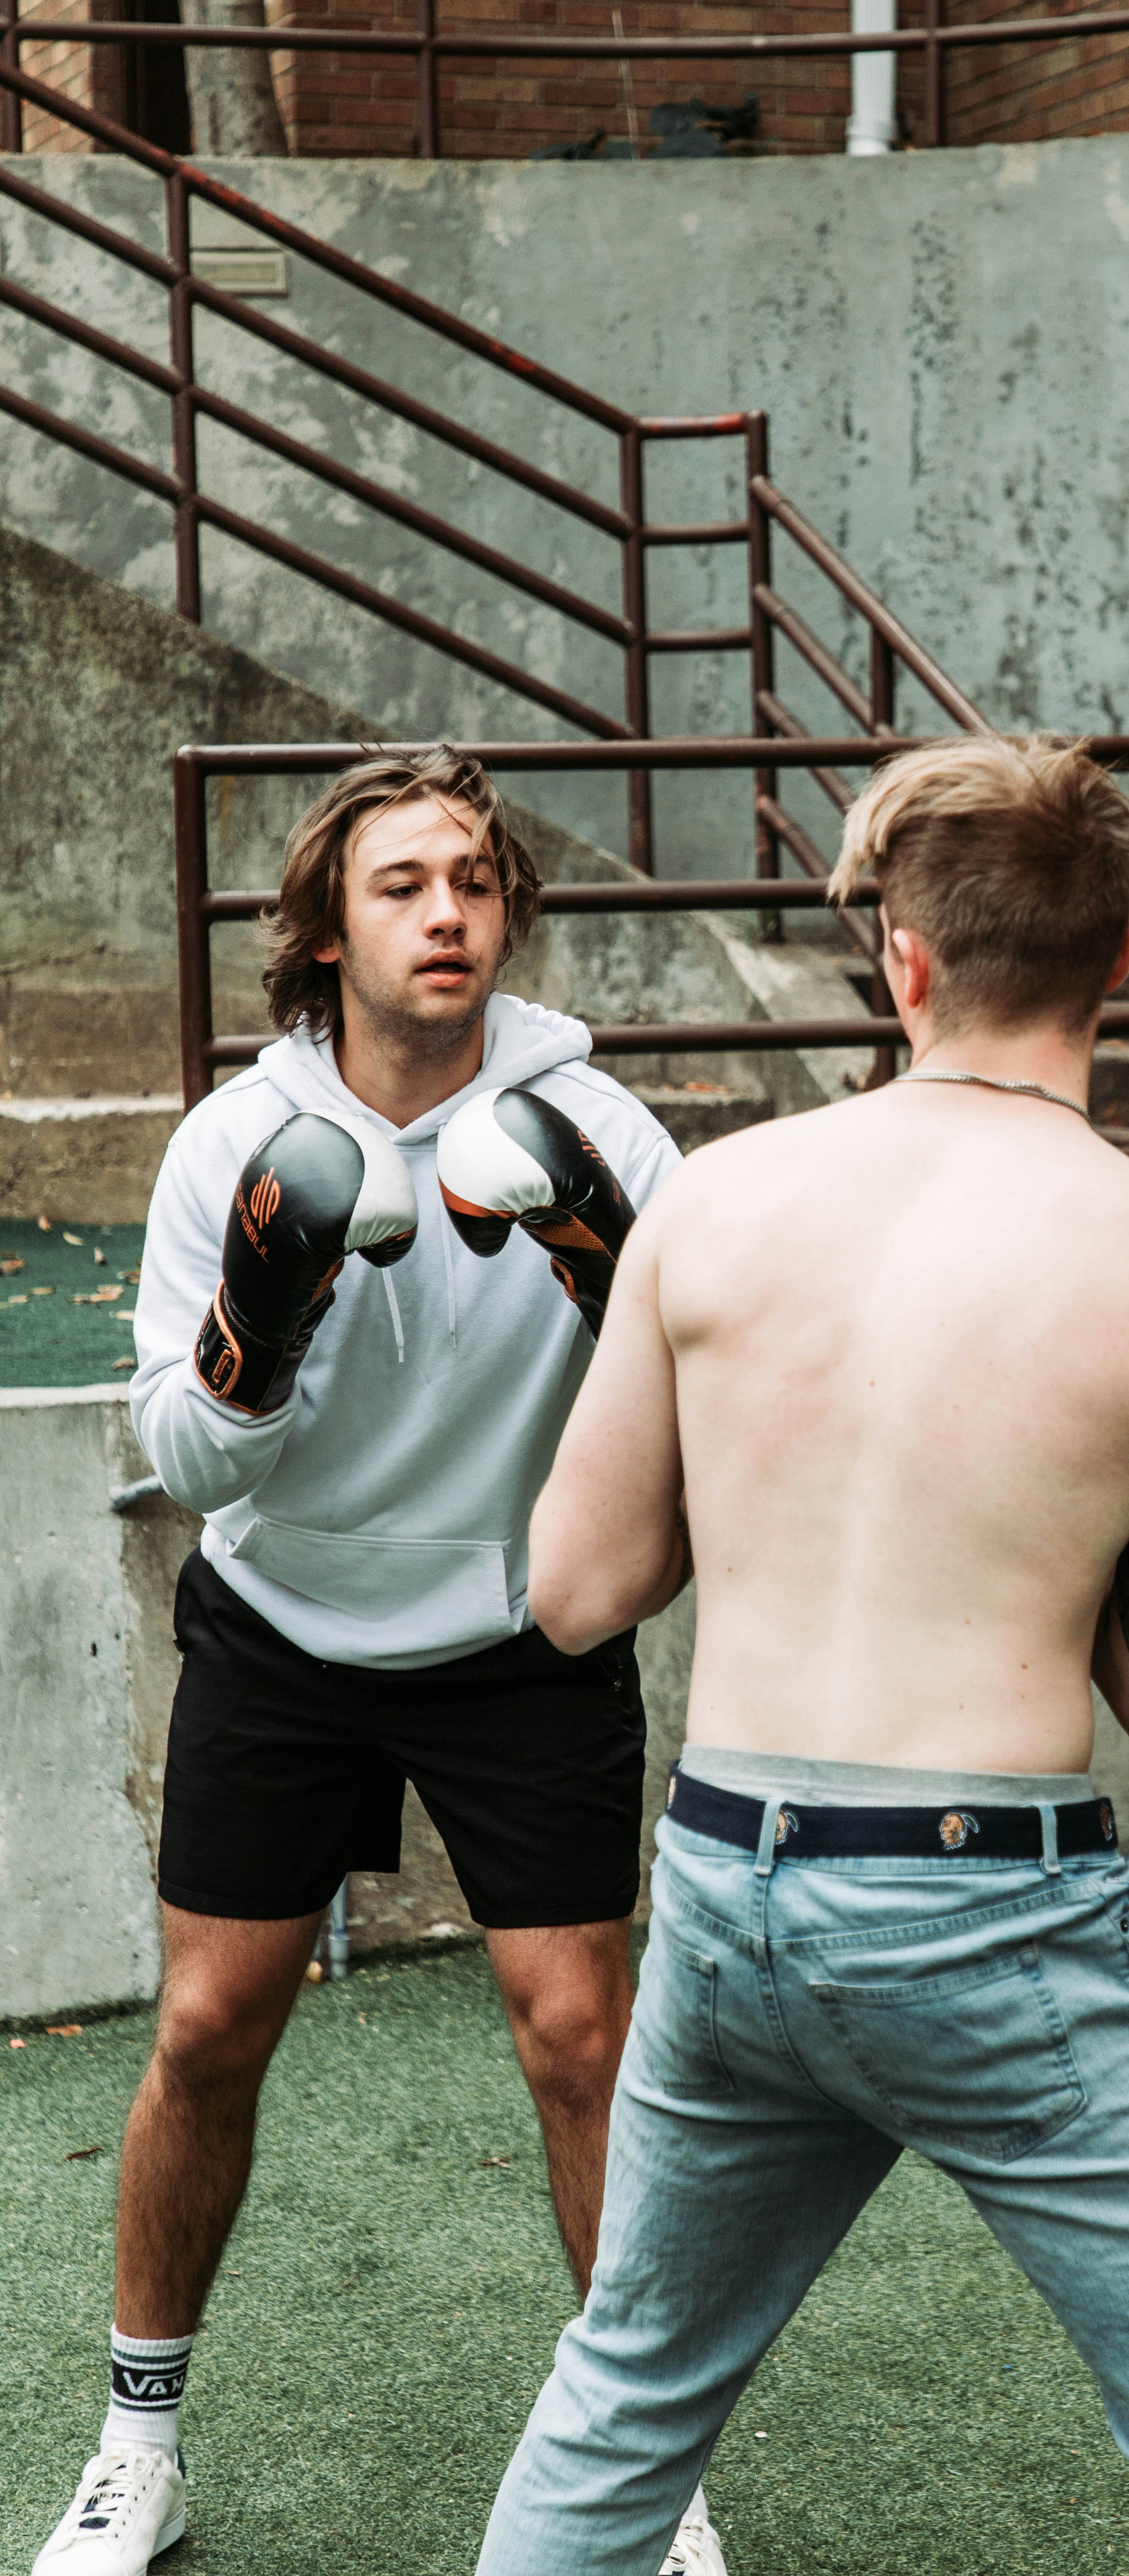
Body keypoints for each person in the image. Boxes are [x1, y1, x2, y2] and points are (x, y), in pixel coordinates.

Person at [475, 733, 1129, 2575]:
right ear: (1124, 961)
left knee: (624, 2394)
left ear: (899, 962)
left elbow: (573, 1589)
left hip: (730, 1879)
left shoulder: (712, 1201)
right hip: (985, 1903)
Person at [31, 750, 724, 2576]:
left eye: (477, 880)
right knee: (204, 2025)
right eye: (405, 881)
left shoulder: (604, 1130)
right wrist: (266, 1331)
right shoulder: (228, 1146)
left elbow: (712, 1391)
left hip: (518, 1627)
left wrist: (606, 1269)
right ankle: (135, 2444)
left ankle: (643, 2472)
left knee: (586, 2037)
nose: (447, 911)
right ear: (326, 928)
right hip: (284, 1620)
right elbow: (180, 1458)